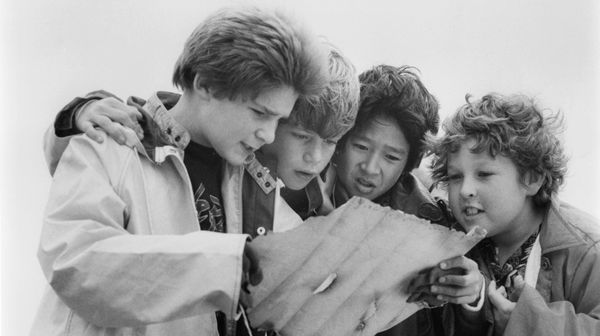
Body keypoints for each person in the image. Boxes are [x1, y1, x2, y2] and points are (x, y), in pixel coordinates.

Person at [32, 7, 328, 336]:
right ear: (205, 85)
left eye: (278, 120)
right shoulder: (109, 144)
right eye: (260, 113)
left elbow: (312, 286)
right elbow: (76, 263)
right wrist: (221, 265)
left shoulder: (259, 188)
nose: (269, 135)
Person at [321, 65, 485, 335]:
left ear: (409, 164)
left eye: (391, 157)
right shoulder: (304, 191)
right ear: (341, 138)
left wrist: (472, 296)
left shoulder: (431, 229)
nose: (370, 168)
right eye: (361, 147)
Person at [428, 93, 600, 335]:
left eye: (484, 174)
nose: (465, 190)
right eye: (455, 177)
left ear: (532, 178)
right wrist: (473, 304)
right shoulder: (452, 241)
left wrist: (526, 322)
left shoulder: (588, 249)